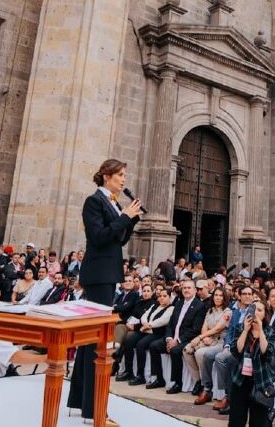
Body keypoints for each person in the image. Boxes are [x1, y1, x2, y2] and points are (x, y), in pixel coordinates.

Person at [66, 158, 144, 426]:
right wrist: (124, 217)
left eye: (124, 175)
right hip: (98, 274)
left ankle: (79, 401)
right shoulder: (94, 201)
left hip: (107, 274)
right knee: (98, 340)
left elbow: (119, 238)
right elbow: (98, 237)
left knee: (92, 338)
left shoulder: (113, 202)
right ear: (106, 176)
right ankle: (94, 410)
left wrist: (130, 220)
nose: (124, 179)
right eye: (120, 174)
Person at [148, 279, 206, 392]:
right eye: (184, 288)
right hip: (172, 337)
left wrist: (177, 341)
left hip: (186, 339)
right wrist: (169, 338)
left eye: (189, 288)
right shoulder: (178, 303)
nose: (186, 290)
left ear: (194, 290)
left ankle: (177, 383)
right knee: (153, 346)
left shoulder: (200, 306)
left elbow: (195, 330)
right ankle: (159, 379)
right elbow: (170, 324)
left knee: (175, 351)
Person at [227, 300, 275, 427]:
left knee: (258, 422)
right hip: (241, 378)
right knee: (236, 420)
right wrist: (245, 330)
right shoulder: (239, 327)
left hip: (261, 381)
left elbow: (267, 354)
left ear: (265, 314)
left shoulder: (270, 331)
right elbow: (236, 351)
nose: (255, 313)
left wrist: (260, 331)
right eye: (253, 309)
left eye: (259, 310)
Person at [211, 284, 257, 414]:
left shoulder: (255, 310)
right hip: (233, 347)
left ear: (253, 296)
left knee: (228, 361)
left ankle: (231, 399)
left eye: (249, 294)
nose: (247, 296)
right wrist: (227, 346)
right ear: (239, 296)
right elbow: (230, 331)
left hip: (248, 348)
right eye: (244, 294)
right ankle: (227, 394)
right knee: (220, 358)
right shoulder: (236, 312)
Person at [188, 287, 232, 403]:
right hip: (209, 339)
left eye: (220, 295)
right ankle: (203, 385)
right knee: (189, 350)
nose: (218, 297)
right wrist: (205, 337)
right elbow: (204, 326)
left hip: (220, 341)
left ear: (225, 298)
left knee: (202, 353)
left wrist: (200, 337)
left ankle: (208, 388)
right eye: (216, 295)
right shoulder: (210, 310)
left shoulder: (227, 312)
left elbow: (218, 328)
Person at [126, 289, 174, 386]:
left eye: (165, 296)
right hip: (146, 330)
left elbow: (163, 321)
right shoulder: (154, 305)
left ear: (170, 297)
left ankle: (140, 376)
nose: (162, 298)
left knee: (140, 345)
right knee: (129, 341)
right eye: (160, 296)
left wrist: (149, 325)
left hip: (157, 333)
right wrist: (145, 323)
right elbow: (144, 316)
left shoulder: (171, 308)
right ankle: (129, 372)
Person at [114, 283, 157, 380]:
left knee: (128, 341)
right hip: (131, 324)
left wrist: (135, 327)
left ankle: (120, 359)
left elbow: (148, 322)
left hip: (142, 329)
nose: (146, 293)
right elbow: (133, 315)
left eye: (148, 291)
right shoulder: (139, 303)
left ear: (152, 292)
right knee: (119, 327)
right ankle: (118, 352)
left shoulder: (153, 304)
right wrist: (128, 323)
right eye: (144, 291)